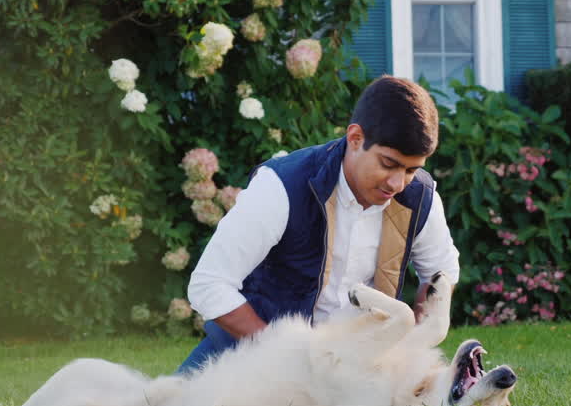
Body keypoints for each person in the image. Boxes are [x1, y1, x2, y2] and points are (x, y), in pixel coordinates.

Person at [179, 76, 460, 373]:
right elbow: (209, 284)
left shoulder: (420, 197)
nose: (397, 183)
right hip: (251, 352)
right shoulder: (281, 185)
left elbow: (441, 273)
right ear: (355, 138)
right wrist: (286, 359)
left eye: (411, 170)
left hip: (358, 367)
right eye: (388, 164)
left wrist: (412, 344)